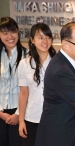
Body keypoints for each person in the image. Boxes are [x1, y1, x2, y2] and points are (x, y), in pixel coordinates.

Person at [17, 23, 56, 146]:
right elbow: (23, 94)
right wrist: (21, 120)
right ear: (32, 40)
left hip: (54, 120)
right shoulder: (24, 63)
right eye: (40, 37)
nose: (45, 41)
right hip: (31, 118)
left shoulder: (57, 63)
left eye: (48, 37)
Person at [0, 17, 27, 146]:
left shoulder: (28, 56)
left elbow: (30, 90)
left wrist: (18, 114)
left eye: (13, 31)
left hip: (21, 114)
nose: (10, 36)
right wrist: (1, 113)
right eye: (5, 33)